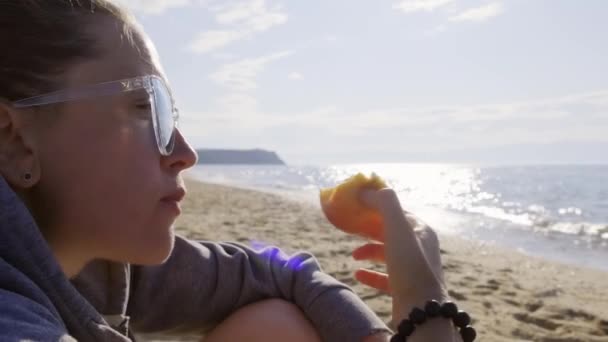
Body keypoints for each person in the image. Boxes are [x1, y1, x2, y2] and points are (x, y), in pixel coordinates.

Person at [0, 1, 462, 341]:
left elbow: (280, 271)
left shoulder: (103, 267)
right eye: (145, 107)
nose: (184, 152)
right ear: (16, 140)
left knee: (274, 324)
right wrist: (426, 302)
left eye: (172, 115)